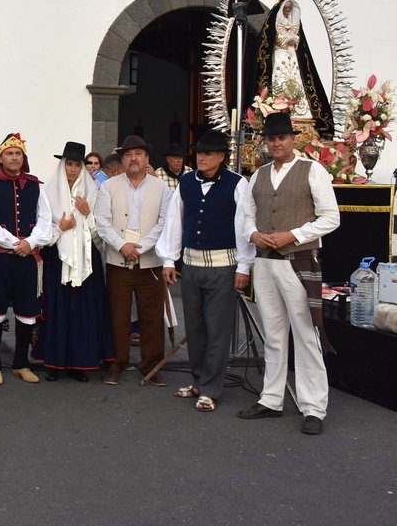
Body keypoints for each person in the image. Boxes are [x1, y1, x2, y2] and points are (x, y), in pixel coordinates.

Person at [238, 112, 340, 435]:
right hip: (265, 264)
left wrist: (293, 235)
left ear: (293, 139)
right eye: (271, 138)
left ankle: (314, 408)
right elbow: (247, 216)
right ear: (266, 142)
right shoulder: (259, 175)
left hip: (298, 262)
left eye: (282, 137)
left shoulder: (313, 171)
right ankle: (271, 399)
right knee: (274, 334)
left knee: (306, 335)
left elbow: (331, 217)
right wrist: (254, 235)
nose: (276, 142)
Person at [157, 130, 254, 412]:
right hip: (191, 265)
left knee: (217, 329)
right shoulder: (186, 182)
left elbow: (244, 226)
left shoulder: (237, 184)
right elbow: (176, 222)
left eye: (208, 153)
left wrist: (244, 266)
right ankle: (199, 381)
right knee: (196, 328)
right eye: (199, 152)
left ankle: (211, 388)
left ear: (221, 157)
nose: (201, 157)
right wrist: (168, 260)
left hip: (223, 266)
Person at [94, 135, 172, 386]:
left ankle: (151, 365)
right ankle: (117, 363)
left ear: (147, 158)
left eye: (138, 154)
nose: (134, 158)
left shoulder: (162, 188)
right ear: (122, 160)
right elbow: (102, 221)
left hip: (150, 262)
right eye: (128, 155)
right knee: (118, 315)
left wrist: (141, 246)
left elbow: (165, 222)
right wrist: (121, 245)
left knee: (151, 317)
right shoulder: (109, 186)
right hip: (119, 262)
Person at [0, 133, 52, 385]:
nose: (14, 158)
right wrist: (14, 243)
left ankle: (21, 362)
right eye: (9, 153)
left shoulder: (36, 186)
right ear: (1, 157)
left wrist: (29, 243)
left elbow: (45, 220)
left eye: (18, 154)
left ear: (24, 157)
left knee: (27, 311)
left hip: (27, 259)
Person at [37, 141, 112, 381]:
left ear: (82, 168)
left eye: (77, 165)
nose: (72, 169)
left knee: (83, 311)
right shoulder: (48, 193)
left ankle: (80, 363)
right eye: (68, 164)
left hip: (86, 258)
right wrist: (61, 227)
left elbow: (101, 231)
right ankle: (55, 363)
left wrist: (88, 212)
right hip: (57, 258)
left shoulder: (93, 192)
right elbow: (42, 229)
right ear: (62, 166)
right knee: (57, 310)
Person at [242, 0, 335, 138]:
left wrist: (293, 40)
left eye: (290, 10)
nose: (288, 12)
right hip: (278, 56)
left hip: (293, 56)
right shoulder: (275, 22)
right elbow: (271, 39)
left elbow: (297, 38)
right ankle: (275, 114)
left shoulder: (294, 21)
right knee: (277, 81)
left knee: (300, 80)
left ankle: (303, 116)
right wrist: (282, 41)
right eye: (286, 10)